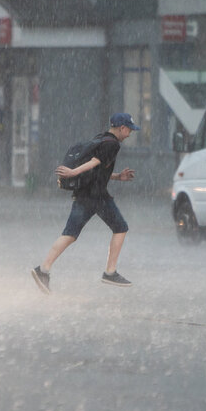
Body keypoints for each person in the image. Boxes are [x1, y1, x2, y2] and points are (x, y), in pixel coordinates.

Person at [31, 113, 139, 294]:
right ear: (122, 128)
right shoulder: (112, 144)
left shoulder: (100, 138)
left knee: (70, 234)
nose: (129, 135)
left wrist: (118, 176)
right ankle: (110, 272)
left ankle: (43, 270)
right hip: (97, 196)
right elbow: (94, 162)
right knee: (121, 227)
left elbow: (97, 168)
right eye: (129, 130)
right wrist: (73, 172)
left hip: (84, 193)